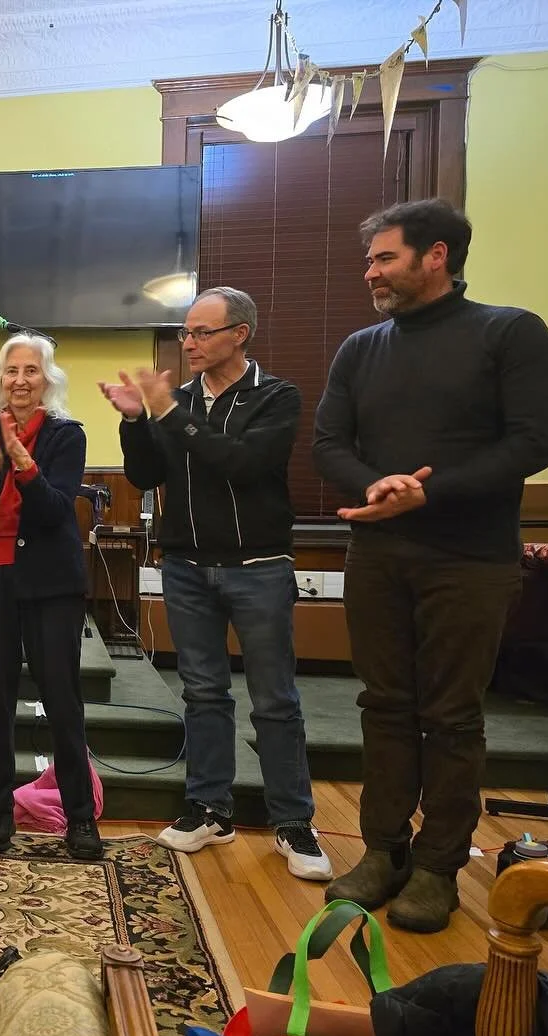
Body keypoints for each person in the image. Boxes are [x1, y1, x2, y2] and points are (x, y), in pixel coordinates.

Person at [313, 199, 548, 933]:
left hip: (471, 561)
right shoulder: (361, 348)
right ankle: (381, 853)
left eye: (384, 258)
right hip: (380, 556)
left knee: (452, 718)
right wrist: (375, 487)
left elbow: (531, 443)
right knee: (384, 707)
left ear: (437, 256)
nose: (371, 273)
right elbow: (330, 442)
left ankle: (437, 868)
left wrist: (425, 491)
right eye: (370, 260)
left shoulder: (510, 332)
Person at [100, 286, 332, 882]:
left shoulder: (275, 396)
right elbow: (147, 472)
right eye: (186, 332)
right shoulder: (176, 401)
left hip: (258, 567)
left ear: (240, 334)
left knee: (275, 699)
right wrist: (134, 420)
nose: (189, 343)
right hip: (186, 566)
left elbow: (242, 463)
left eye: (202, 332)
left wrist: (170, 415)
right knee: (202, 692)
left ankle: (292, 821)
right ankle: (209, 808)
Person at [0, 334, 103, 860]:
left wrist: (26, 470)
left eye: (31, 371)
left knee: (61, 698)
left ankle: (80, 818)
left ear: (46, 380)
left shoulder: (65, 435)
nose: (19, 380)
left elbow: (55, 513)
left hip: (50, 582)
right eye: (11, 371)